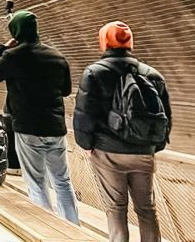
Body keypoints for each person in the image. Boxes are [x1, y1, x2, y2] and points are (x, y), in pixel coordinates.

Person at [73, 22, 171, 242]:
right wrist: (152, 146)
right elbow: (166, 117)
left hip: (108, 152)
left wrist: (86, 144)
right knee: (147, 208)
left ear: (104, 42)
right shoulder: (153, 75)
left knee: (116, 208)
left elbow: (84, 115)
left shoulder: (94, 73)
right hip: (143, 152)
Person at [0, 10, 79, 224]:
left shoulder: (14, 56)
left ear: (16, 31)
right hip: (55, 129)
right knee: (62, 181)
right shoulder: (57, 56)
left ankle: (46, 228)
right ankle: (73, 228)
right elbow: (65, 90)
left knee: (36, 182)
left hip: (28, 129)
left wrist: (2, 48)